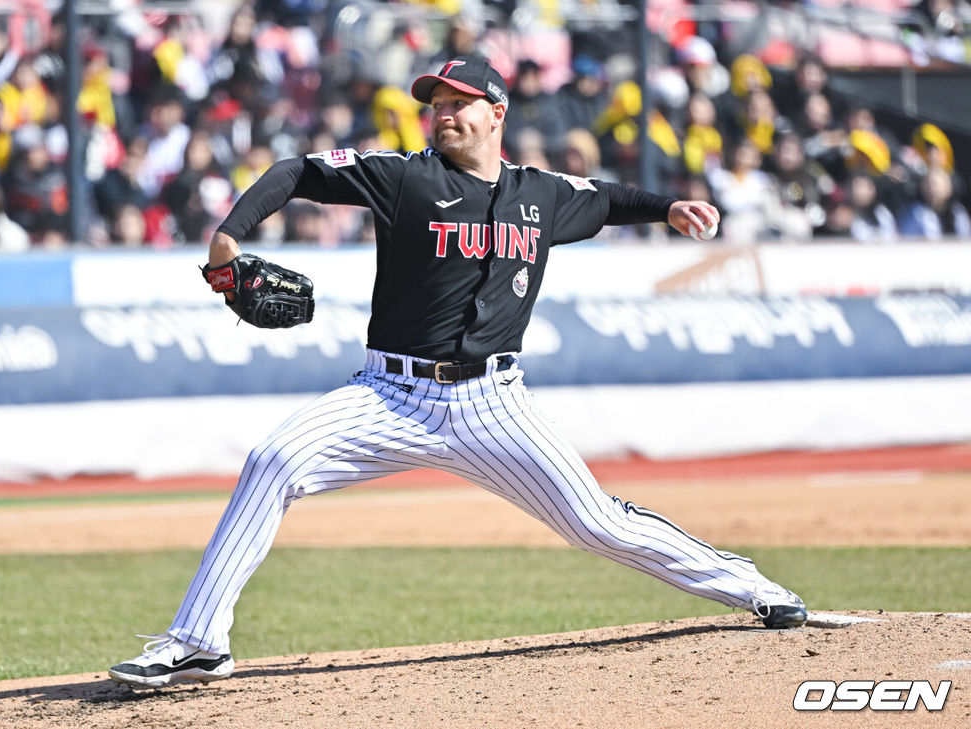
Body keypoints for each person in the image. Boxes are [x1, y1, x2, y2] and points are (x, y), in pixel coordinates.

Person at [108, 55, 807, 689]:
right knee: (272, 459)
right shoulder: (405, 177)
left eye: (458, 102)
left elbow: (605, 197)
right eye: (435, 103)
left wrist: (666, 208)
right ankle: (199, 639)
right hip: (388, 393)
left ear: (497, 113)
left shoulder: (543, 194)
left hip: (495, 403)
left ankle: (750, 585)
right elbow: (297, 170)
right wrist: (231, 231)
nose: (443, 114)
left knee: (596, 521)